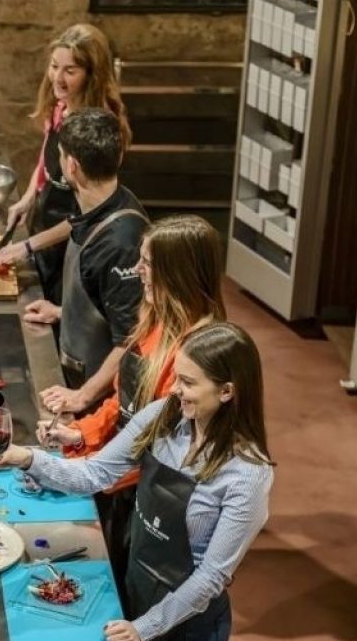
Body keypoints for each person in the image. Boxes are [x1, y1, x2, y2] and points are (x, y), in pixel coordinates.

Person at [2, 322, 274, 641]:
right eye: (177, 377)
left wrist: (145, 628)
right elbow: (94, 474)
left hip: (185, 628)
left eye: (189, 383)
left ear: (226, 392)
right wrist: (26, 458)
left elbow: (210, 577)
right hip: (136, 590)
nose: (176, 390)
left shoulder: (248, 474)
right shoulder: (163, 416)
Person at [36, 214, 226, 588]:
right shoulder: (154, 320)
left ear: (179, 272)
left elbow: (175, 458)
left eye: (148, 264)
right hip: (121, 483)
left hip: (156, 506)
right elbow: (124, 403)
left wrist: (92, 473)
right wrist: (81, 434)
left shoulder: (199, 356)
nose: (137, 270)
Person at [0, 23, 131, 305]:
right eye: (54, 66)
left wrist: (29, 246)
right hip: (47, 219)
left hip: (74, 241)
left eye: (70, 71)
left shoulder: (96, 130)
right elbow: (46, 153)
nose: (58, 77)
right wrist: (29, 198)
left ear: (92, 75)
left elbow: (89, 217)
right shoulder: (61, 104)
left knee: (60, 309)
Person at [21, 107, 147, 398]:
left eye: (61, 155)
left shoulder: (121, 243)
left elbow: (132, 339)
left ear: (71, 166)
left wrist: (83, 397)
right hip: (79, 368)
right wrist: (64, 313)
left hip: (102, 395)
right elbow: (106, 304)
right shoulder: (98, 206)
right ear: (119, 156)